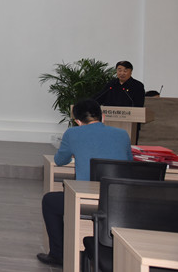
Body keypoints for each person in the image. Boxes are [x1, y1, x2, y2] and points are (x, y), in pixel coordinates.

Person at [36, 99, 132, 267]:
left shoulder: (72, 134)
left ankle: (58, 255)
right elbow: (129, 163)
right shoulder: (123, 134)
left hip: (88, 201)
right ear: (103, 116)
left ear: (78, 121)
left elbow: (59, 160)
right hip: (120, 201)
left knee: (49, 201)